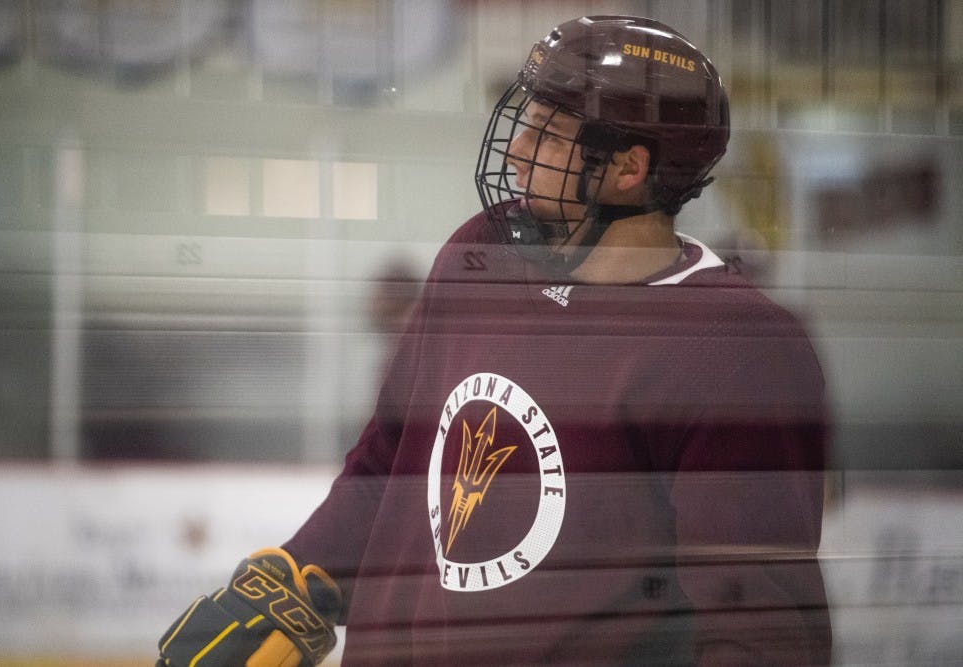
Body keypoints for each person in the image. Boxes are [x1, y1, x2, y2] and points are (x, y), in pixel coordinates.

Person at [157, 16, 832, 666]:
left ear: (629, 168)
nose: (516, 151)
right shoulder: (480, 255)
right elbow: (393, 455)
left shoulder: (735, 349)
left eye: (547, 135)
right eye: (525, 123)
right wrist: (302, 574)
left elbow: (759, 627)